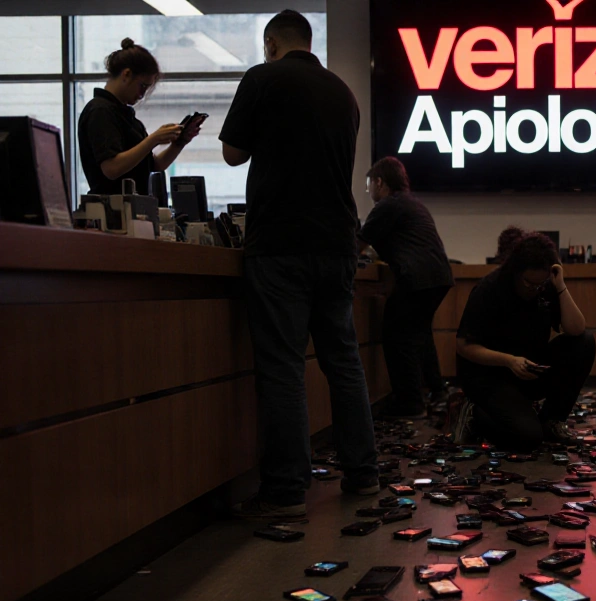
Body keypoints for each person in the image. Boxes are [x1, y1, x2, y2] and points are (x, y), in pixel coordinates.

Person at [220, 10, 378, 517]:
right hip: (337, 244)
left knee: (284, 366)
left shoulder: (263, 78)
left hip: (281, 243)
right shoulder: (343, 92)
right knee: (344, 361)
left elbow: (231, 153)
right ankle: (364, 472)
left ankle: (287, 489)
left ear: (271, 43)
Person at [456, 233, 595, 451]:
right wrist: (509, 361)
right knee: (528, 438)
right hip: (490, 376)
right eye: (529, 284)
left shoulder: (546, 285)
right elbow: (464, 346)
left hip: (528, 369)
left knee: (584, 343)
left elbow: (577, 329)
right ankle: (475, 413)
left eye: (541, 285)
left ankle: (551, 421)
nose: (535, 290)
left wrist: (560, 286)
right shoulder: (489, 289)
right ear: (516, 272)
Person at [358, 157, 453, 419]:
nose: (369, 191)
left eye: (369, 184)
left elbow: (358, 243)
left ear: (379, 181)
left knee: (396, 337)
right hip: (439, 276)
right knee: (420, 334)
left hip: (417, 277)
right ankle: (437, 392)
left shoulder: (388, 205)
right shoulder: (413, 203)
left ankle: (411, 405)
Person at [78, 39, 201, 197]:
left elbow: (154, 165)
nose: (142, 95)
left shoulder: (128, 118)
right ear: (126, 74)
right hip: (111, 211)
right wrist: (153, 139)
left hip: (133, 208)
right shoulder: (100, 111)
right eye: (142, 86)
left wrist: (179, 143)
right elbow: (112, 168)